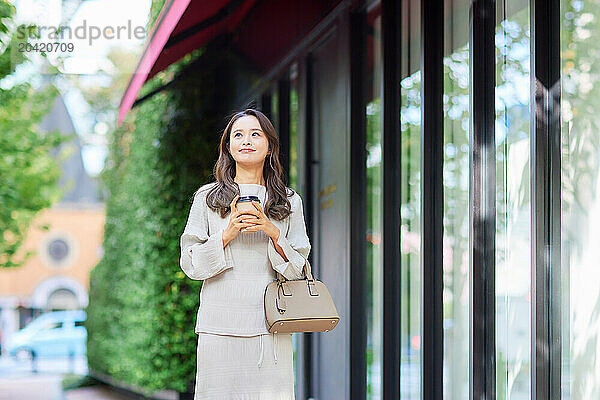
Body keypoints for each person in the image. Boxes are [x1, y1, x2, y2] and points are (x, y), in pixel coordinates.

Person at [179, 108, 312, 399]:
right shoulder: (207, 197)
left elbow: (299, 269)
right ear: (228, 146)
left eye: (255, 134)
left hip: (271, 324)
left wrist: (272, 231)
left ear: (269, 146)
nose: (246, 140)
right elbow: (190, 263)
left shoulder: (288, 201)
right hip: (219, 324)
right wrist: (227, 234)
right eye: (238, 134)